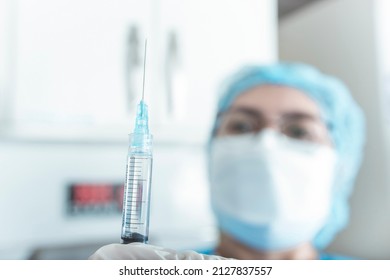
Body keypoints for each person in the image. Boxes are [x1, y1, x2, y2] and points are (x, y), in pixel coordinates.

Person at [89, 63, 365, 260]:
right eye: (242, 126)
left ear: (340, 166)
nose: (266, 144)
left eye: (297, 131)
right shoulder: (162, 266)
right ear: (210, 153)